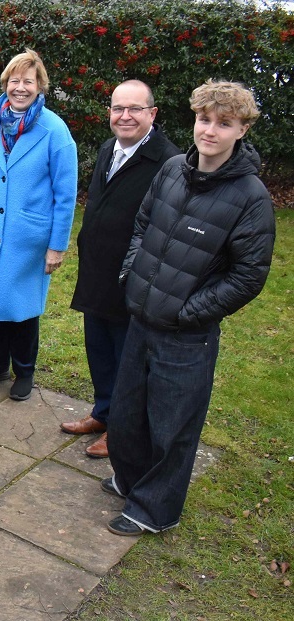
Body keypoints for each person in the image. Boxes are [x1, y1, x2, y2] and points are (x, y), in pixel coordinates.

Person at [104, 80, 275, 536]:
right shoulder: (173, 168)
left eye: (224, 124)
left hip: (186, 334)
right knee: (126, 414)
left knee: (172, 428)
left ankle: (154, 510)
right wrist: (131, 275)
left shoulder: (251, 197)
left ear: (242, 130)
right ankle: (130, 480)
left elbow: (248, 276)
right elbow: (143, 224)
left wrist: (187, 312)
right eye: (204, 119)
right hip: (141, 315)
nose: (210, 131)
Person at [63, 80, 181, 458]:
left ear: (152, 113)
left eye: (134, 109)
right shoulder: (107, 149)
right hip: (98, 270)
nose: (125, 116)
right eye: (117, 108)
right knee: (98, 348)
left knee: (128, 358)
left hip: (135, 276)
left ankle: (123, 429)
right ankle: (103, 412)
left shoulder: (168, 162)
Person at [0, 49, 77, 401]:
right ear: (5, 83)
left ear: (39, 85)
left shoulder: (54, 130)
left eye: (27, 81)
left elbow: (65, 195)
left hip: (29, 238)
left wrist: (57, 245)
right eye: (14, 80)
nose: (20, 88)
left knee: (23, 310)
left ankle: (24, 371)